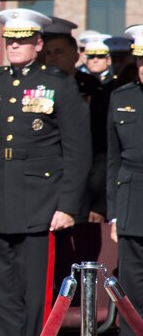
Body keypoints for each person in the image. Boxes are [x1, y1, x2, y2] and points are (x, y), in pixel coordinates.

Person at [0, 8, 91, 336]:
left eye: (23, 40)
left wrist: (67, 205)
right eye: (10, 40)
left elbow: (77, 151)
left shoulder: (58, 84)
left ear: (38, 44)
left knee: (34, 287)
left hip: (41, 198)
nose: (15, 46)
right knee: (1, 286)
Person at [43, 18, 110, 223]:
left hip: (83, 190)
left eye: (59, 52)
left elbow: (102, 149)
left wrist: (98, 202)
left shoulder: (93, 90)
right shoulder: (34, 90)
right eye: (47, 53)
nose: (52, 58)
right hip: (42, 188)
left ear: (76, 55)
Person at [107, 25, 143, 336]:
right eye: (141, 62)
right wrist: (114, 213)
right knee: (131, 293)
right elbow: (113, 161)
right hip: (132, 205)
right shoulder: (122, 98)